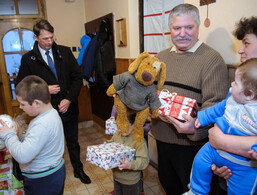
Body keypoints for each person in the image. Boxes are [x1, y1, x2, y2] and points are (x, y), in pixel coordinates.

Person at [150, 4, 229, 194]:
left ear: (198, 26)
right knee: (168, 185)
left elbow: (215, 105)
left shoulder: (212, 59)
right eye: (177, 28)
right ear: (170, 29)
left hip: (192, 147)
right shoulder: (160, 57)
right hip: (161, 139)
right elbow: (151, 92)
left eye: (189, 27)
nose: (182, 33)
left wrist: (195, 128)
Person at [16, 19, 91, 184]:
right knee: (49, 145)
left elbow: (77, 78)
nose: (49, 41)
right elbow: (21, 85)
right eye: (45, 39)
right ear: (36, 37)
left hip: (68, 108)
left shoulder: (63, 52)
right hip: (44, 113)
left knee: (73, 142)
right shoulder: (29, 59)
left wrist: (69, 99)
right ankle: (52, 172)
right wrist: (43, 88)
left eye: (51, 37)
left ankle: (78, 170)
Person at [184, 58, 257, 195]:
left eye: (236, 83)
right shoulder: (232, 98)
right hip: (214, 150)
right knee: (200, 160)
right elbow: (218, 109)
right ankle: (197, 191)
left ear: (249, 94)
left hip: (245, 165)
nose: (232, 83)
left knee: (242, 189)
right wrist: (203, 117)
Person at [209, 16, 257, 194]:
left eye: (246, 43)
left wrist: (222, 142)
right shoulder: (243, 83)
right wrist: (220, 161)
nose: (240, 51)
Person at [0, 75, 65, 195]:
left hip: (43, 181)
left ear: (36, 103)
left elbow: (23, 156)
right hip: (54, 173)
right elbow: (41, 140)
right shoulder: (51, 113)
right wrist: (22, 137)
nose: (20, 107)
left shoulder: (42, 124)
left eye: (23, 104)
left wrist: (9, 135)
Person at [107, 110, 149, 195]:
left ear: (134, 124)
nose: (120, 129)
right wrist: (106, 146)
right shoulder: (117, 134)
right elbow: (111, 142)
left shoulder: (139, 140)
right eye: (118, 126)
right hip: (117, 177)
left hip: (131, 182)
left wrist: (130, 165)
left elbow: (144, 161)